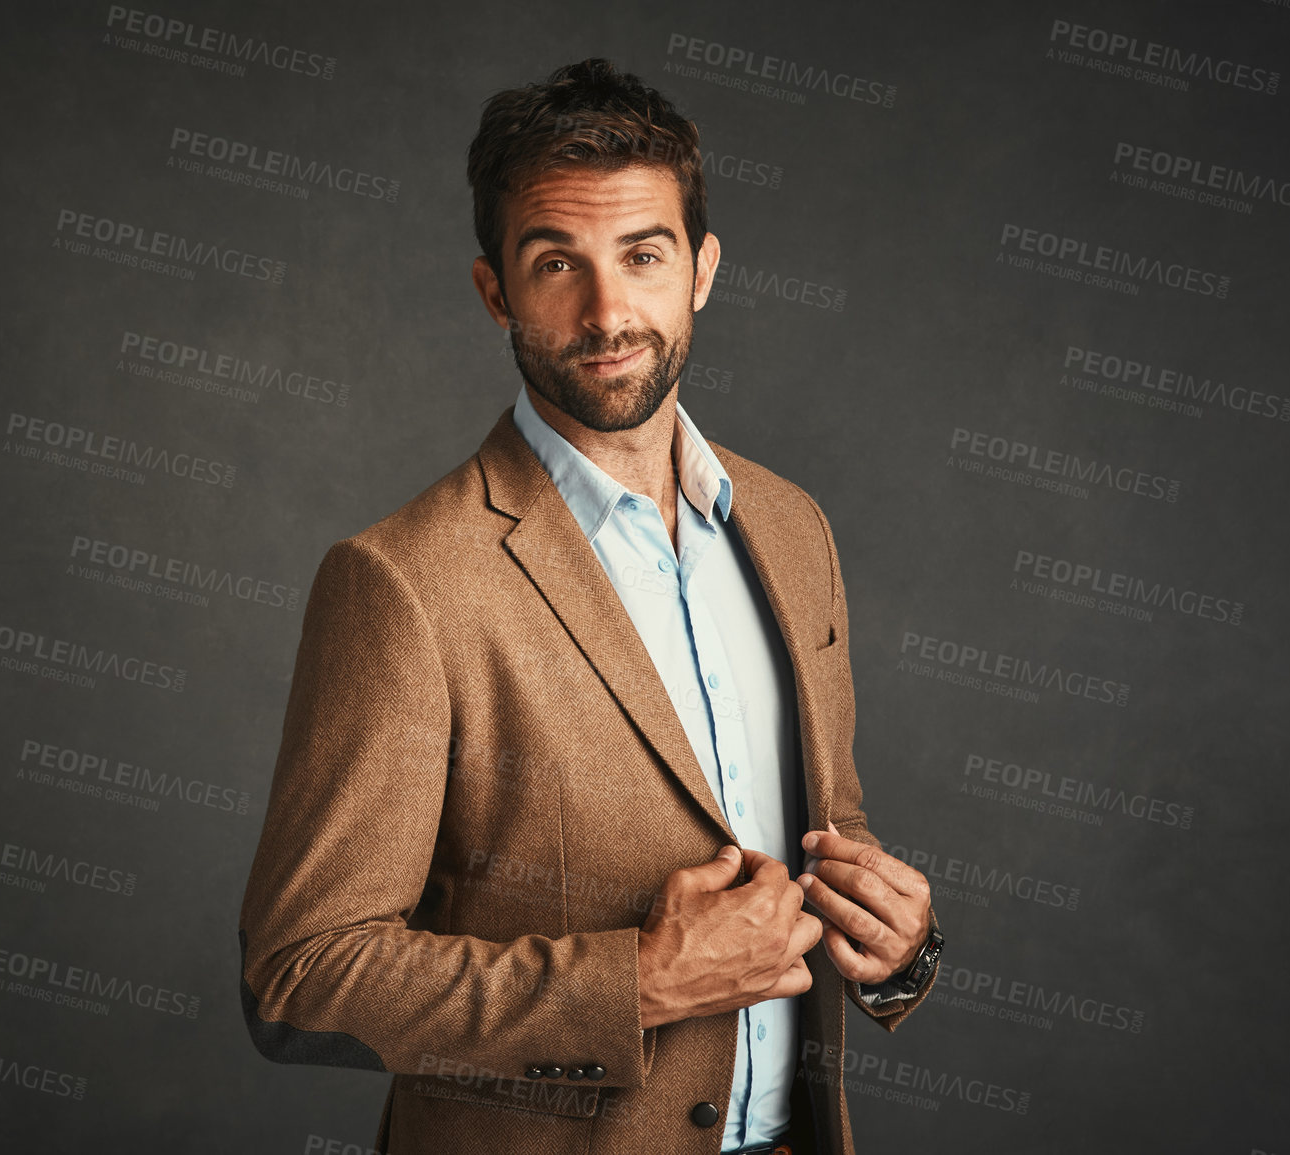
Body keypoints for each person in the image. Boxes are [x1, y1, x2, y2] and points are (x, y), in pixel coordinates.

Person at [238, 58, 941, 1155]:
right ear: (495, 291)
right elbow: (300, 979)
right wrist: (640, 983)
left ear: (702, 271)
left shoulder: (794, 530)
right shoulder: (403, 582)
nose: (608, 310)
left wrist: (900, 945)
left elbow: (826, 837)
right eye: (556, 262)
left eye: (643, 255)